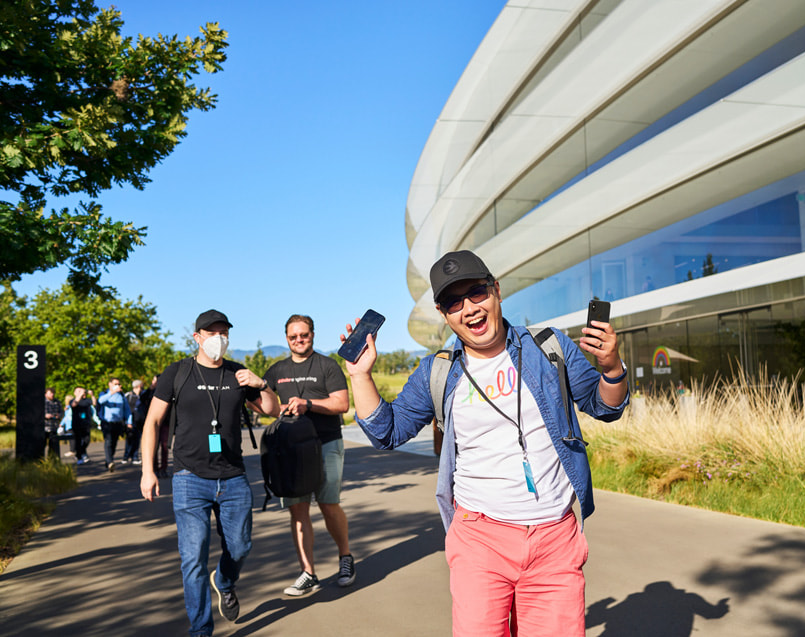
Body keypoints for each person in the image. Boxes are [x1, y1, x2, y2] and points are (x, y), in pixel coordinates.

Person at [344, 250, 629, 636]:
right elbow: (386, 432)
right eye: (453, 302)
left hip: (553, 538)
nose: (469, 308)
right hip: (479, 538)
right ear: (444, 314)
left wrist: (611, 369)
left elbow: (604, 406)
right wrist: (360, 376)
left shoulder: (548, 349)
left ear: (496, 291)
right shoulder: (438, 371)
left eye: (477, 292)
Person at [139, 310, 279, 637]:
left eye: (224, 332)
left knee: (241, 547)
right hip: (189, 477)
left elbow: (271, 410)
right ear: (197, 336)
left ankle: (226, 580)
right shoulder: (177, 372)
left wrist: (262, 384)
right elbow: (152, 422)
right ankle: (201, 630)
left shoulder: (239, 373)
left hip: (233, 477)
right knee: (192, 560)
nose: (219, 338)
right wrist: (148, 471)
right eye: (212, 332)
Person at [263, 314, 354, 597]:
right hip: (290, 450)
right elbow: (261, 401)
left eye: (304, 335)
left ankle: (345, 557)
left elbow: (342, 404)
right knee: (297, 509)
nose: (299, 340)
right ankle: (308, 572)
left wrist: (309, 404)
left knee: (328, 504)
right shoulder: (277, 369)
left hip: (326, 443)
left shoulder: (327, 366)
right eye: (293, 337)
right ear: (286, 338)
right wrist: (276, 410)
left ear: (312, 335)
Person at [98, 378, 132, 472]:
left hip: (118, 423)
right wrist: (112, 392)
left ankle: (108, 459)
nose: (117, 385)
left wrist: (129, 422)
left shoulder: (121, 395)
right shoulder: (104, 393)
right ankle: (110, 462)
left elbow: (127, 410)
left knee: (114, 442)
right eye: (115, 384)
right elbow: (100, 401)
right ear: (110, 384)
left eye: (118, 383)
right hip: (107, 422)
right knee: (108, 441)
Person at [69, 387, 94, 465]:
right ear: (75, 393)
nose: (82, 392)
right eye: (78, 391)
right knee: (78, 441)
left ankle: (81, 452)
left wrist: (92, 395)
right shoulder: (73, 400)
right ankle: (79, 457)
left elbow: (94, 403)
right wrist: (79, 394)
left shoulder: (86, 401)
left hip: (86, 424)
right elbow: (74, 405)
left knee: (87, 440)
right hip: (76, 424)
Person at [123, 379, 144, 465]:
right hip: (130, 421)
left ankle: (135, 457)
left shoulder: (142, 395)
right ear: (139, 386)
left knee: (137, 440)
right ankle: (126, 456)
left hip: (140, 421)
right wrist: (128, 422)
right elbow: (126, 408)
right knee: (129, 439)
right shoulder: (129, 395)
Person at [43, 387, 62, 459]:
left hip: (53, 427)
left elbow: (61, 412)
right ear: (45, 394)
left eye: (53, 393)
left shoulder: (57, 402)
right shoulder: (42, 402)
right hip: (44, 427)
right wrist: (45, 415)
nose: (52, 395)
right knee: (42, 445)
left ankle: (51, 461)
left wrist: (59, 415)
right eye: (50, 393)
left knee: (53, 446)